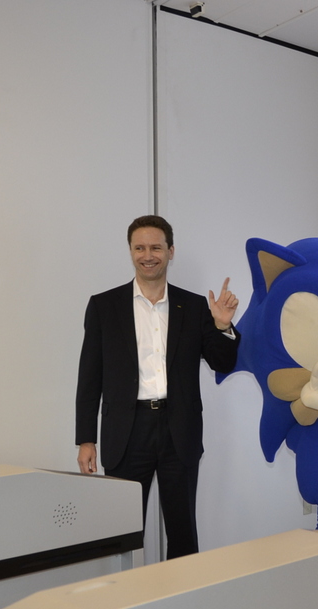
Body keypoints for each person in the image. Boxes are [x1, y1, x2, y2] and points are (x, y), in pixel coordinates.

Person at [76, 215, 241, 559]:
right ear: (130, 251)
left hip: (178, 431)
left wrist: (223, 327)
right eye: (140, 248)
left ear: (170, 251)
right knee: (119, 533)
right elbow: (89, 378)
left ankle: (184, 593)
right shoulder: (104, 306)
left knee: (182, 532)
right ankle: (123, 592)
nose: (147, 255)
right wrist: (86, 439)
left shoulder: (194, 306)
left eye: (156, 247)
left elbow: (222, 363)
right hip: (126, 432)